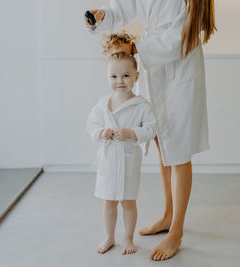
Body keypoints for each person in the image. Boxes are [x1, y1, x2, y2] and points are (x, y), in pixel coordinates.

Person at [84, 0, 216, 261]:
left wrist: (134, 47)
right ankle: (168, 215)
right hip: (154, 69)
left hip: (180, 67)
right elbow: (122, 11)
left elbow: (182, 37)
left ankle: (176, 230)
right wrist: (101, 17)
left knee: (179, 150)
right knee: (162, 142)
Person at [86, 34, 157, 255]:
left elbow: (151, 128)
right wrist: (101, 132)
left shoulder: (141, 105)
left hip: (128, 161)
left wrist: (131, 132)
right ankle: (109, 237)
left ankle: (127, 238)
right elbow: (91, 124)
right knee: (109, 201)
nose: (120, 81)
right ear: (107, 77)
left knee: (128, 201)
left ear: (136, 77)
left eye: (126, 75)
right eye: (114, 76)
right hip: (108, 160)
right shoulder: (103, 104)